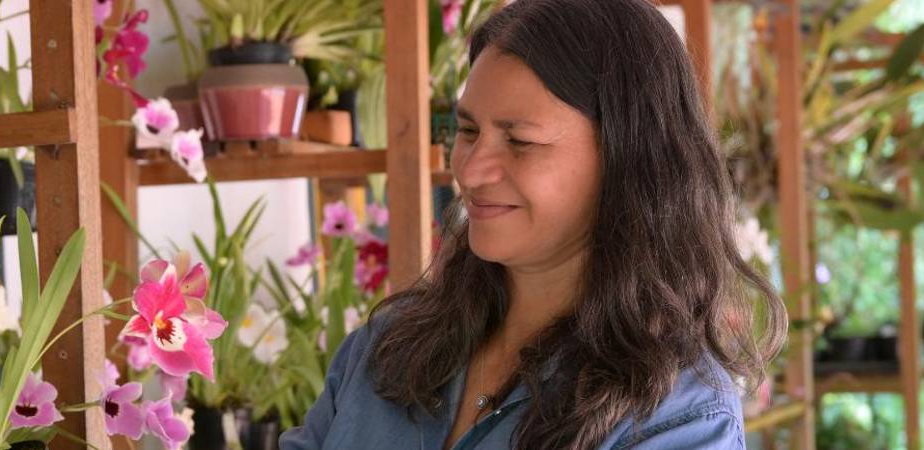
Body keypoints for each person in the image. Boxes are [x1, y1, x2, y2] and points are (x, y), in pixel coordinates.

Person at [278, 0, 787, 448]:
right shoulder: (383, 349)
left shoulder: (677, 415)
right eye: (469, 130)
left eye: (519, 141)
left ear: (628, 159)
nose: (471, 170)